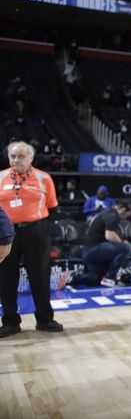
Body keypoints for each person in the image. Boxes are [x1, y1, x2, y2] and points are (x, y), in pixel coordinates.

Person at [0, 141, 63, 338]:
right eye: (13, 156)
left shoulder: (44, 178)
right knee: (6, 278)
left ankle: (44, 320)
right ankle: (10, 322)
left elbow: (52, 207)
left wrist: (43, 228)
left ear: (31, 158)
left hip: (36, 231)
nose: (16, 160)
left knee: (40, 277)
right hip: (6, 234)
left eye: (21, 156)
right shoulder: (0, 177)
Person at [69, 203, 131, 286]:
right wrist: (123, 242)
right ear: (123, 210)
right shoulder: (113, 215)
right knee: (126, 248)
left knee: (96, 279)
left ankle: (72, 279)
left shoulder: (107, 212)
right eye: (126, 216)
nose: (125, 218)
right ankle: (110, 278)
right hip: (94, 250)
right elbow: (109, 235)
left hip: (89, 252)